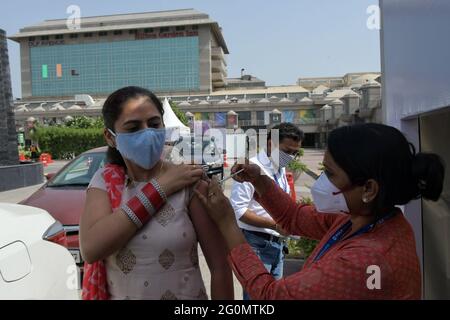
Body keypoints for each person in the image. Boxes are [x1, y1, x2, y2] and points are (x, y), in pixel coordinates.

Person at [195, 123, 445, 299]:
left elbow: (272, 295)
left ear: (369, 188)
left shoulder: (367, 262)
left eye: (330, 173)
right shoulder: (362, 220)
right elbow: (295, 217)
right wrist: (260, 181)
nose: (322, 182)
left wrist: (226, 223)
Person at [79, 86, 234, 300]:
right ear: (111, 137)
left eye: (154, 124)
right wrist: (160, 188)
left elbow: (220, 267)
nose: (148, 133)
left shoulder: (187, 180)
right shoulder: (105, 182)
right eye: (133, 128)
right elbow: (91, 249)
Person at [229, 122, 303, 300]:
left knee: (273, 297)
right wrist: (276, 225)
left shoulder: (280, 168)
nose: (291, 157)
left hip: (278, 245)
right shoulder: (250, 169)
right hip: (257, 245)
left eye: (295, 153)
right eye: (287, 151)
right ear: (271, 143)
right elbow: (238, 211)